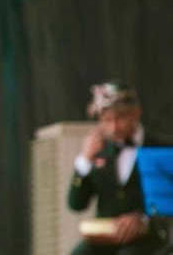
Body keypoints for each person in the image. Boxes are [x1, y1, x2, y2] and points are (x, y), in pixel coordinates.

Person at [69, 82, 168, 255]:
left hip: (150, 238)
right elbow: (76, 204)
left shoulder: (162, 147)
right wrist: (84, 161)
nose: (114, 127)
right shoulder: (99, 152)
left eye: (120, 118)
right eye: (107, 120)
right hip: (105, 241)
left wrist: (144, 219)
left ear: (136, 113)